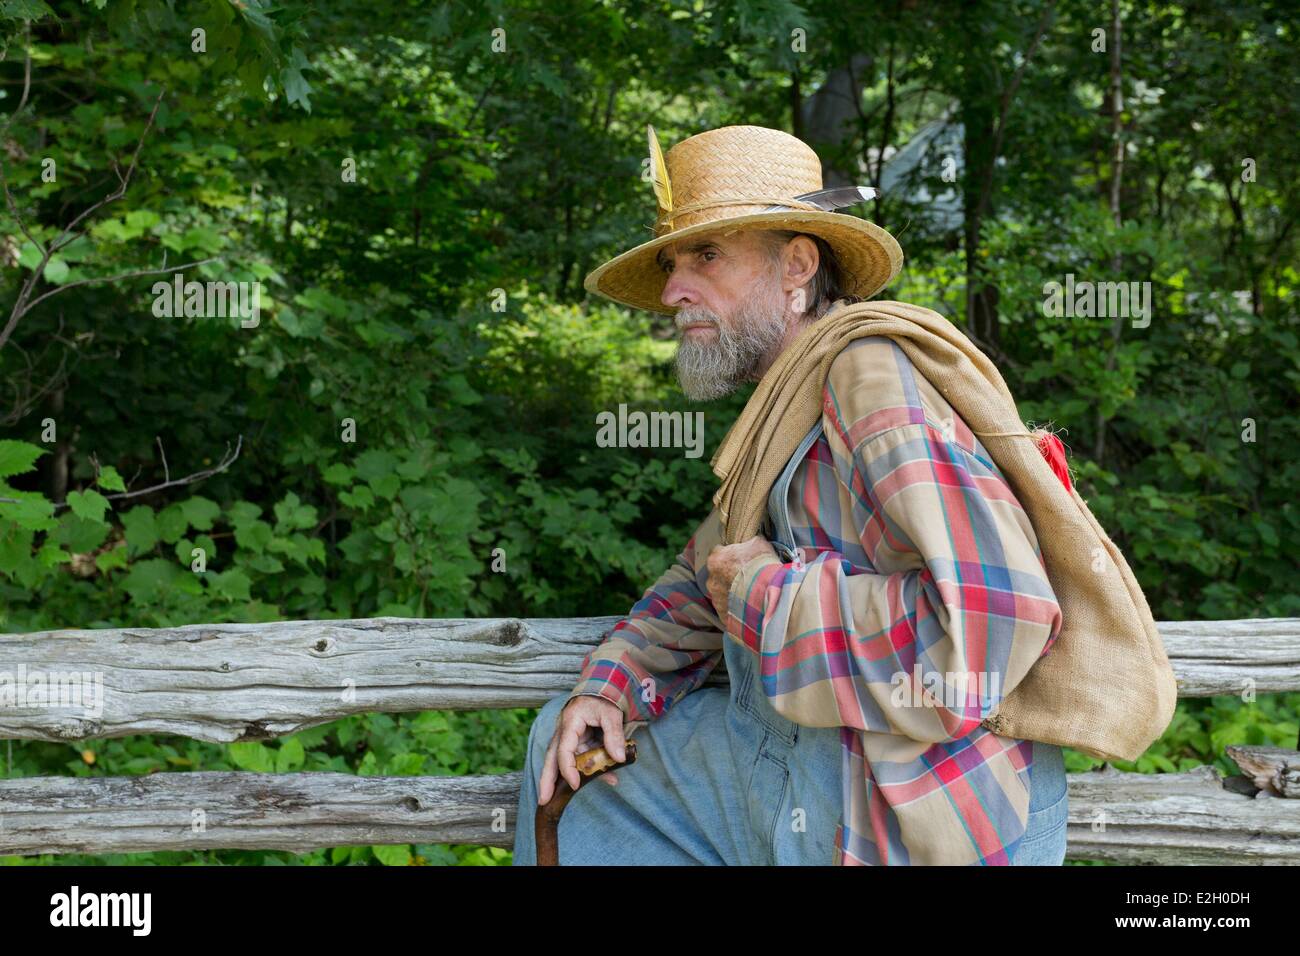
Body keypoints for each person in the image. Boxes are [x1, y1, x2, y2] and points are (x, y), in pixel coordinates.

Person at [512, 125, 1068, 866]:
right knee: (567, 739)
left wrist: (765, 598)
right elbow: (707, 577)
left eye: (706, 255)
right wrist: (613, 686)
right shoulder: (791, 397)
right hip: (818, 760)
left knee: (584, 785)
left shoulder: (870, 385)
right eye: (675, 262)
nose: (675, 290)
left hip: (909, 811)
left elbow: (995, 624)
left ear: (797, 265)